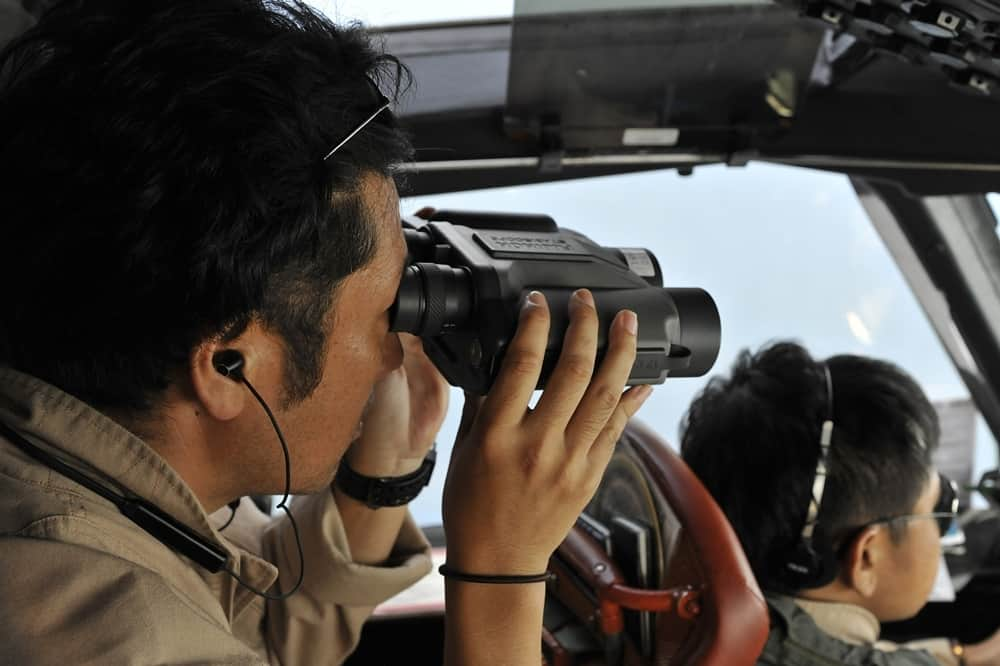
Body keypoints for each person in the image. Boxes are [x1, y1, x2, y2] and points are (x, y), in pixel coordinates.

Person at [0, 1, 652, 664]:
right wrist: (502, 567)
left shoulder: (80, 479)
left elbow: (261, 627)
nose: (396, 352)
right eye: (381, 316)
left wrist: (384, 470)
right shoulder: (107, 640)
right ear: (231, 365)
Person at [680, 341, 1000, 665]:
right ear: (865, 558)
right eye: (939, 511)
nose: (942, 530)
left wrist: (968, 657)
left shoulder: (687, 613)